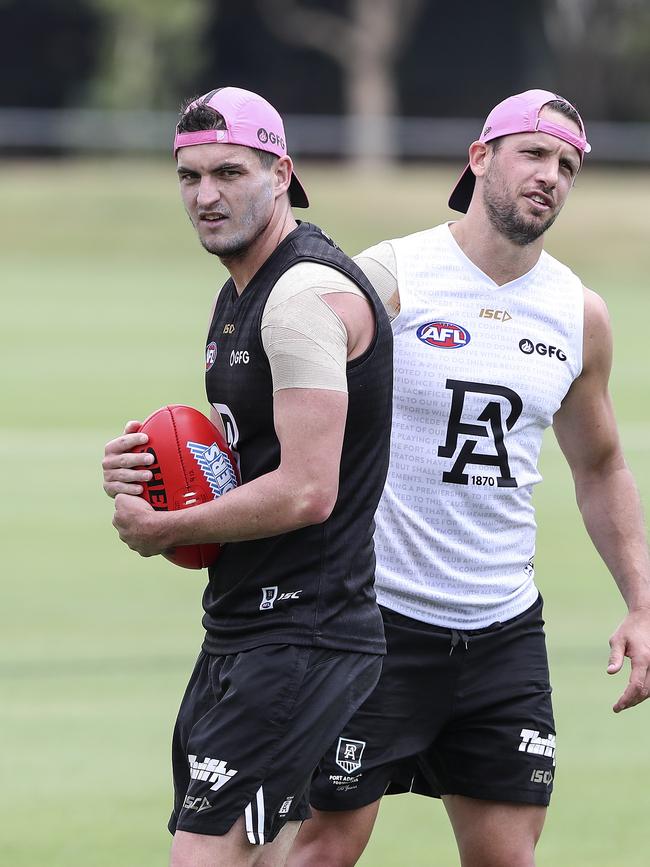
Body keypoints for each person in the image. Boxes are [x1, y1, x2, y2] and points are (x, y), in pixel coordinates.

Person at [287, 89, 650, 867]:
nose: (550, 175)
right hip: (375, 622)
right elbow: (293, 377)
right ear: (480, 157)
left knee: (506, 859)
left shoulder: (577, 313)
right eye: (533, 153)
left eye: (567, 164)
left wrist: (642, 600)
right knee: (323, 848)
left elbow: (601, 463)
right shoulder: (392, 274)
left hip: (502, 632)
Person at [101, 86, 393, 867]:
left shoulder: (300, 296)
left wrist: (163, 527)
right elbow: (238, 462)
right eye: (189, 177)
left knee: (202, 857)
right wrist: (148, 471)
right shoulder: (240, 294)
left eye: (229, 172)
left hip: (301, 630)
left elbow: (306, 488)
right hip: (249, 626)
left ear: (281, 172)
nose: (205, 195)